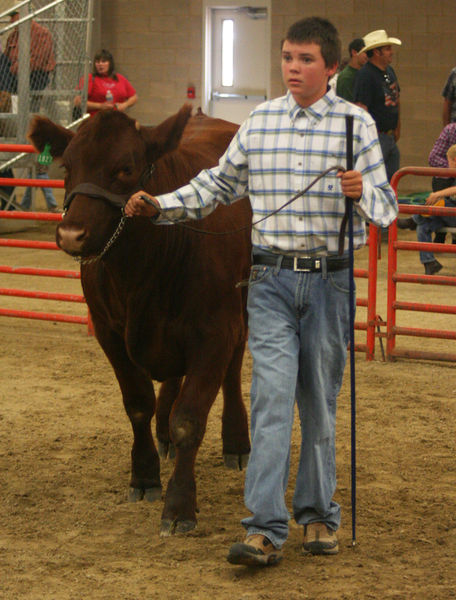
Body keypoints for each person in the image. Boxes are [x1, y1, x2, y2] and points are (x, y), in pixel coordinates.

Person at [125, 16, 397, 567]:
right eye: (287, 58)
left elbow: (388, 210)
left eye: (305, 60)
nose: (293, 69)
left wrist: (362, 189)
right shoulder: (261, 122)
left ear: (331, 67)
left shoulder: (356, 127)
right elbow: (219, 184)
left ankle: (318, 514)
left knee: (319, 405)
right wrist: (163, 206)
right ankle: (265, 529)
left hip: (329, 281)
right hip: (269, 281)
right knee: (271, 401)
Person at [353, 29, 402, 182]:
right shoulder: (366, 75)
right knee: (376, 181)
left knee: (392, 179)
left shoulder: (389, 71)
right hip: (376, 136)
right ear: (376, 52)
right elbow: (361, 108)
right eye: (387, 49)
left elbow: (396, 99)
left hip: (389, 136)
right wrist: (369, 138)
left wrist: (397, 127)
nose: (391, 52)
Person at [406, 144, 456, 275]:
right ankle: (429, 263)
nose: (447, 164)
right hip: (450, 215)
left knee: (441, 202)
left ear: (454, 160)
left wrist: (438, 194)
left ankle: (414, 218)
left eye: (449, 161)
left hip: (453, 214)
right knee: (424, 225)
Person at [4, 10, 56, 112]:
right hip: (13, 74)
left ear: (24, 16)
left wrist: (14, 68)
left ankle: (23, 115)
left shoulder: (42, 33)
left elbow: (38, 61)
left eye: (14, 17)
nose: (11, 21)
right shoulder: (13, 36)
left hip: (36, 75)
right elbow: (6, 58)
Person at [74, 49, 137, 117]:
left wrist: (124, 105)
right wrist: (100, 106)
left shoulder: (120, 78)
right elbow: (77, 101)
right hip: (96, 119)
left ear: (110, 63)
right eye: (97, 62)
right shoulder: (89, 78)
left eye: (103, 61)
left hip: (117, 118)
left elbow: (134, 97)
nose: (100, 64)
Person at [336, 37, 367, 102]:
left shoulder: (363, 73)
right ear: (354, 52)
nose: (368, 56)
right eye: (365, 52)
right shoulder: (346, 77)